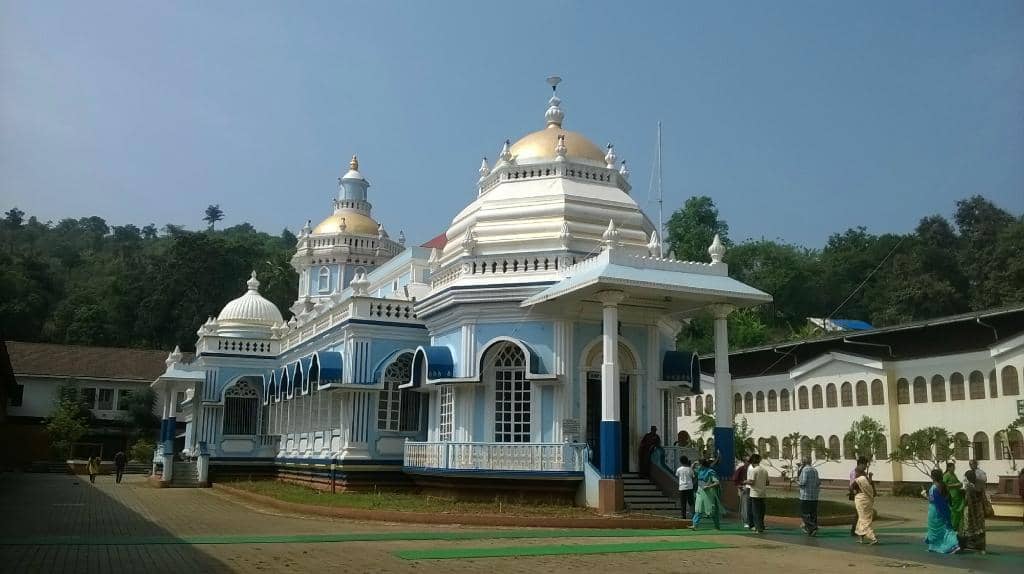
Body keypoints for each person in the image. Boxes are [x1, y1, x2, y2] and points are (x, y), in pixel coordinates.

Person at [924, 468, 960, 554]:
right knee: (940, 528)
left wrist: (925, 496)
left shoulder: (935, 487)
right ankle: (935, 546)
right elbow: (945, 499)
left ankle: (952, 545)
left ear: (933, 477)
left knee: (938, 528)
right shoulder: (943, 485)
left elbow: (936, 501)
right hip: (938, 508)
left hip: (935, 510)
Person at [958, 469, 987, 553]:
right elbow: (983, 497)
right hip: (979, 510)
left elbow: (967, 500)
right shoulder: (980, 486)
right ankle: (981, 548)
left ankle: (964, 546)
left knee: (966, 528)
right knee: (980, 529)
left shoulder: (968, 487)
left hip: (970, 510)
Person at [692, 458, 722, 530]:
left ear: (702, 465)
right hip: (700, 492)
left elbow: (717, 482)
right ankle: (695, 525)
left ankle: (717, 526)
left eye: (699, 464)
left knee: (712, 510)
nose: (698, 466)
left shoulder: (710, 472)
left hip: (709, 493)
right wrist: (694, 463)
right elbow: (692, 468)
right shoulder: (700, 470)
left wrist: (708, 486)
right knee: (698, 508)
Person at [852, 469, 878, 544]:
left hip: (861, 499)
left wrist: (855, 492)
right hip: (868, 500)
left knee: (864, 519)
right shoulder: (866, 480)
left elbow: (852, 487)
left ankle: (872, 537)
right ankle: (861, 537)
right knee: (862, 518)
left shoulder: (859, 480)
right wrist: (870, 476)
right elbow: (871, 487)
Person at [745, 453, 769, 534]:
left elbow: (751, 482)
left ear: (752, 462)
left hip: (755, 494)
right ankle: (761, 526)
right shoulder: (764, 470)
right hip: (763, 493)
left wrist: (745, 482)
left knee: (755, 512)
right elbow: (767, 483)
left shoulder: (754, 470)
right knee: (761, 511)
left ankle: (758, 528)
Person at [797, 457, 820, 536]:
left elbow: (802, 483)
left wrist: (795, 481)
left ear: (803, 462)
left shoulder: (805, 470)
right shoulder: (815, 470)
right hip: (814, 496)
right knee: (813, 514)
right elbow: (818, 482)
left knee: (804, 513)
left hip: (805, 496)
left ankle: (813, 527)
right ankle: (811, 530)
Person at [848, 456, 869, 536]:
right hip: (858, 495)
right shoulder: (854, 473)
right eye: (865, 465)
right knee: (860, 512)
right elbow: (852, 485)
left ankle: (858, 530)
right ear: (860, 464)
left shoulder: (863, 473)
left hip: (864, 495)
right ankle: (855, 530)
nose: (866, 466)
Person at [942, 462, 965, 530]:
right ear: (949, 468)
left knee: (959, 511)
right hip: (952, 495)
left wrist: (960, 484)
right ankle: (952, 525)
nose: (954, 469)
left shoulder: (954, 475)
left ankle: (957, 525)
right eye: (953, 467)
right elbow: (944, 485)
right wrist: (955, 485)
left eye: (954, 467)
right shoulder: (946, 475)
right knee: (954, 511)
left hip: (958, 494)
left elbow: (957, 482)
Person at [733, 457, 752, 529]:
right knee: (745, 505)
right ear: (744, 462)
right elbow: (735, 479)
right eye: (748, 461)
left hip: (752, 489)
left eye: (750, 461)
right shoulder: (741, 469)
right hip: (744, 489)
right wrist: (740, 486)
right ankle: (745, 521)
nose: (749, 462)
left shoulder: (752, 469)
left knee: (751, 505)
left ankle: (751, 521)